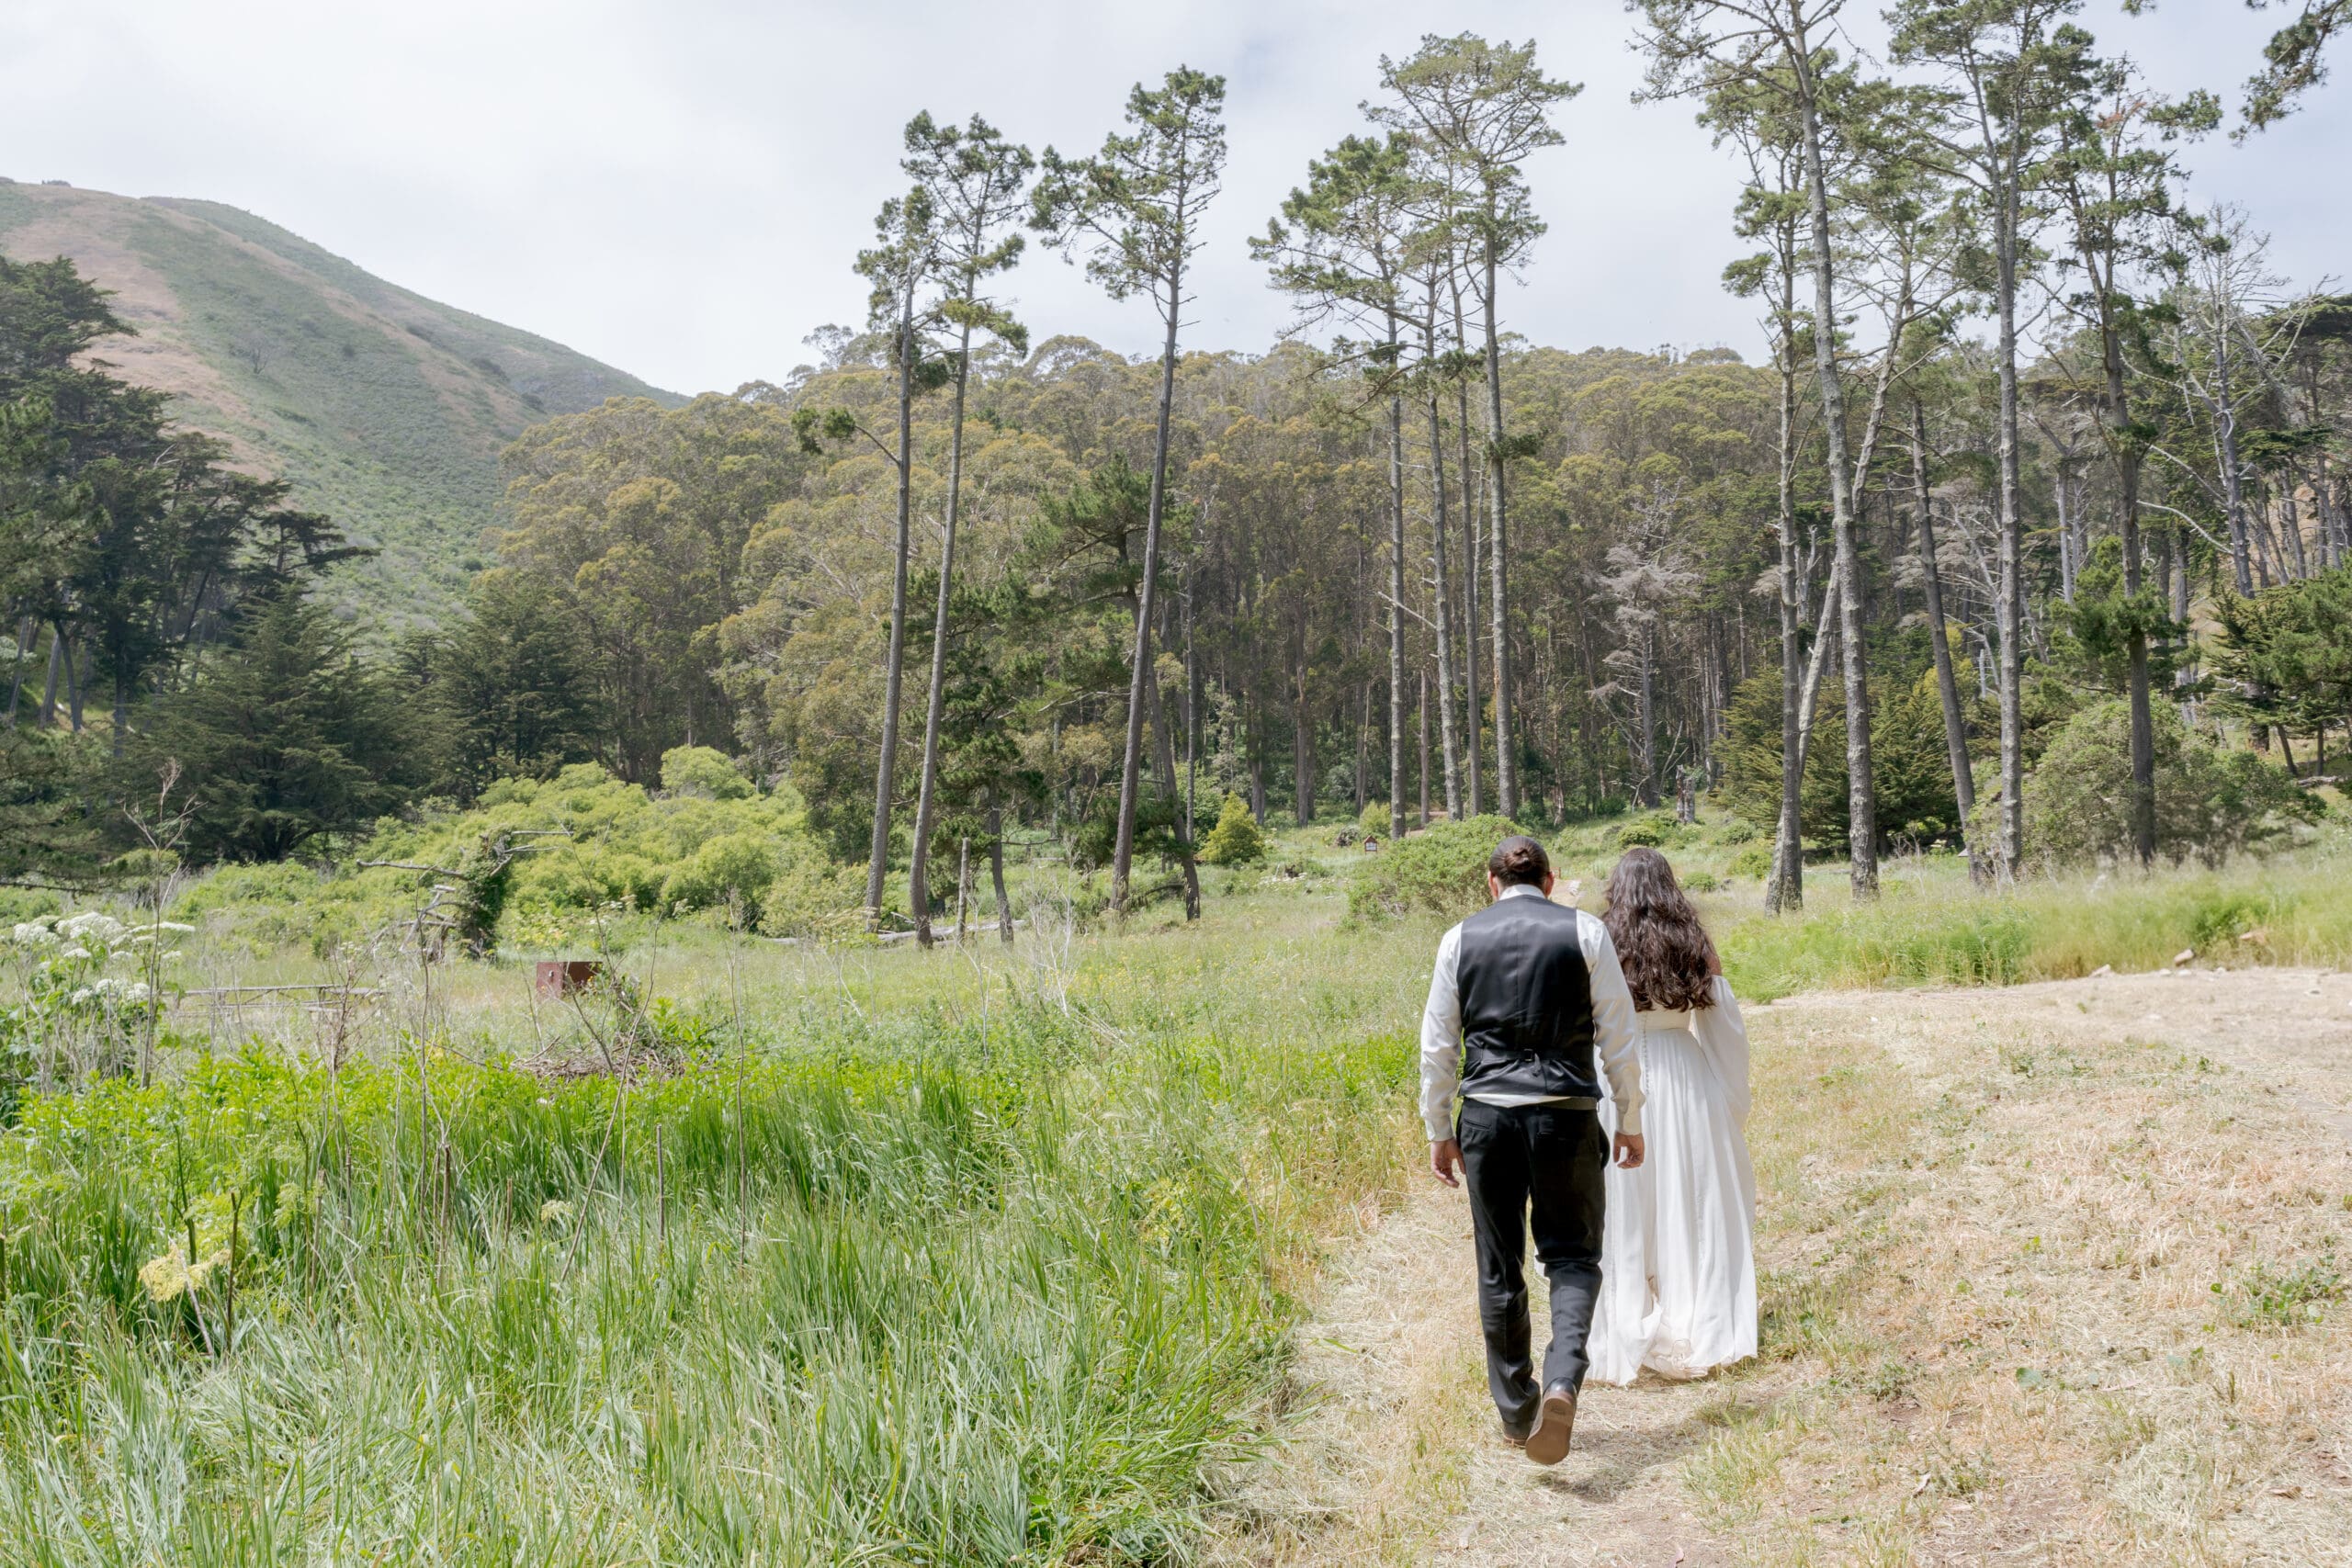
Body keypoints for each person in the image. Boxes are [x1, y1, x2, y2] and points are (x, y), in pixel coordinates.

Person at [1421, 834, 1645, 1466]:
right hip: (1566, 1114)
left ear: (1490, 884)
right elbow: (1619, 1036)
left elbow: (1438, 1045)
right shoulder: (1585, 933)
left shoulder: (1459, 938)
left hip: (1489, 1119)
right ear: (1549, 882)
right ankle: (1562, 1381)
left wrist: (1439, 1127)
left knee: (1499, 1266)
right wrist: (1629, 1117)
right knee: (1573, 1255)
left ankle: (1518, 1413)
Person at [1587, 847, 1757, 1385]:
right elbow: (1722, 1023)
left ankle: (1623, 1314)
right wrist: (1730, 1096)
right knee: (1692, 1197)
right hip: (1684, 1073)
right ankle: (1695, 1313)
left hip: (1616, 1072)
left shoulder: (1599, 938)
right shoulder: (1692, 940)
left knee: (1625, 1200)